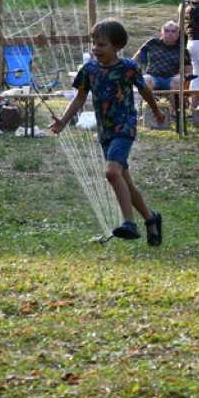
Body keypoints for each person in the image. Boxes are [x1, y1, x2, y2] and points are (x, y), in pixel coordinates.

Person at [50, 19, 165, 245]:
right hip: (106, 130)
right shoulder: (89, 70)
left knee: (112, 172)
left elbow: (145, 90)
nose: (95, 49)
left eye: (101, 44)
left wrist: (155, 110)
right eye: (93, 43)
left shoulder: (128, 68)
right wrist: (63, 120)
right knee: (124, 180)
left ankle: (129, 223)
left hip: (125, 126)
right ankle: (152, 220)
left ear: (116, 47)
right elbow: (81, 97)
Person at [136, 21, 193, 91]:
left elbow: (189, 72)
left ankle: (176, 102)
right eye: (167, 31)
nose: (170, 34)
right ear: (161, 33)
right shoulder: (152, 43)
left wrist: (183, 76)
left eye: (173, 31)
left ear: (178, 35)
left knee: (179, 80)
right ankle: (148, 102)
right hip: (152, 77)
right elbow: (136, 58)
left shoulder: (182, 51)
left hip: (172, 79)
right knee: (145, 79)